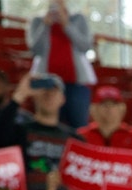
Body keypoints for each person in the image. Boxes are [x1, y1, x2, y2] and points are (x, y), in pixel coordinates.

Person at [0, 73, 82, 190]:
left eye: (54, 91)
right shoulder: (20, 130)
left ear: (63, 99)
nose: (48, 95)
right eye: (44, 90)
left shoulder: (75, 139)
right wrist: (20, 95)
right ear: (35, 96)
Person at [27, 0, 97, 129]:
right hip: (47, 84)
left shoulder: (78, 19)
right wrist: (45, 26)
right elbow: (35, 50)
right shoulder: (37, 21)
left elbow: (85, 46)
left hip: (76, 83)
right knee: (48, 125)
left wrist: (66, 25)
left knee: (79, 126)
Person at [77, 85, 132, 184]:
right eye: (103, 104)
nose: (109, 109)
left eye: (114, 104)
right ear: (94, 109)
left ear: (122, 108)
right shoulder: (82, 135)